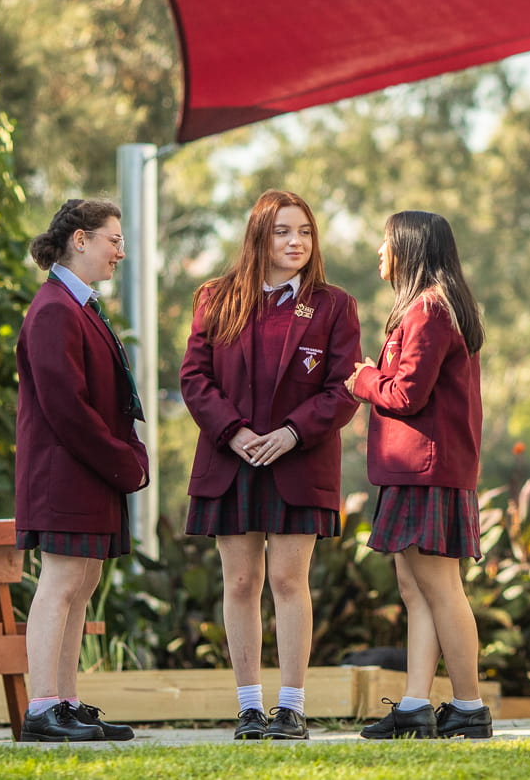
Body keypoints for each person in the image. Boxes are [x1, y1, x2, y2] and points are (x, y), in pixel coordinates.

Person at [179, 190, 362, 741]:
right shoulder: (216, 297)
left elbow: (345, 387)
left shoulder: (334, 305)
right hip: (229, 460)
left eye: (304, 231)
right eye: (283, 231)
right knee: (239, 581)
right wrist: (233, 433)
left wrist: (290, 433)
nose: (295, 242)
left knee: (287, 579)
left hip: (298, 462)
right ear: (260, 235)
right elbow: (195, 378)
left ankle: (291, 706)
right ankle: (249, 709)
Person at [346, 210, 492, 741]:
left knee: (439, 586)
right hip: (423, 469)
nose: (379, 255)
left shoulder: (429, 310)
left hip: (426, 469)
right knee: (416, 587)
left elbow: (407, 394)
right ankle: (415, 705)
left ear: (408, 249)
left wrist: (363, 378)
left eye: (386, 244)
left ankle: (469, 706)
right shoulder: (432, 307)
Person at [15, 198, 149, 744]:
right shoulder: (52, 309)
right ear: (80, 240)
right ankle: (43, 707)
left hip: (86, 473)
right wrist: (122, 460)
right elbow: (66, 407)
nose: (121, 251)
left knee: (83, 581)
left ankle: (65, 702)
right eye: (113, 240)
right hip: (63, 472)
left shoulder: (80, 306)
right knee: (62, 580)